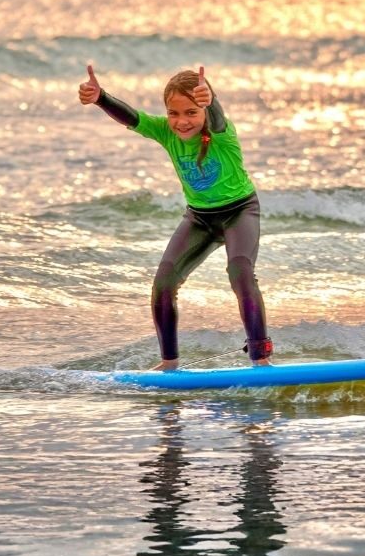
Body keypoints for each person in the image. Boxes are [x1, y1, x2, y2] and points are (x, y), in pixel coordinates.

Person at [78, 64, 273, 370]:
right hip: (199, 218)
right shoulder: (166, 132)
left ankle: (261, 358)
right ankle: (170, 363)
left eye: (191, 112)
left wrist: (211, 99)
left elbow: (217, 116)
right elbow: (133, 117)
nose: (181, 122)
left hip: (239, 212)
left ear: (205, 109)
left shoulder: (221, 132)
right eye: (174, 113)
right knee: (164, 283)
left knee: (240, 272)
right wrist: (101, 97)